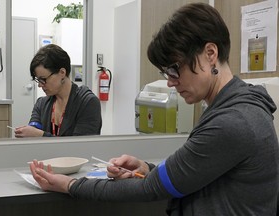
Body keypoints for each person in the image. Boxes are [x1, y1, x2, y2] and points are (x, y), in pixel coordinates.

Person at [29, 3, 279, 215]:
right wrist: (146, 168)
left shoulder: (233, 121)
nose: (170, 81)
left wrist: (71, 184)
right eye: (166, 73)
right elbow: (189, 175)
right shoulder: (234, 107)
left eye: (174, 69)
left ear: (210, 53)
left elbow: (152, 189)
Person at [14, 44, 102, 137]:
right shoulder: (41, 104)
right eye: (38, 80)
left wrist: (41, 135)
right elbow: (34, 133)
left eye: (43, 79)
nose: (40, 85)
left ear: (62, 73)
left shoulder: (87, 103)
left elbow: (79, 147)